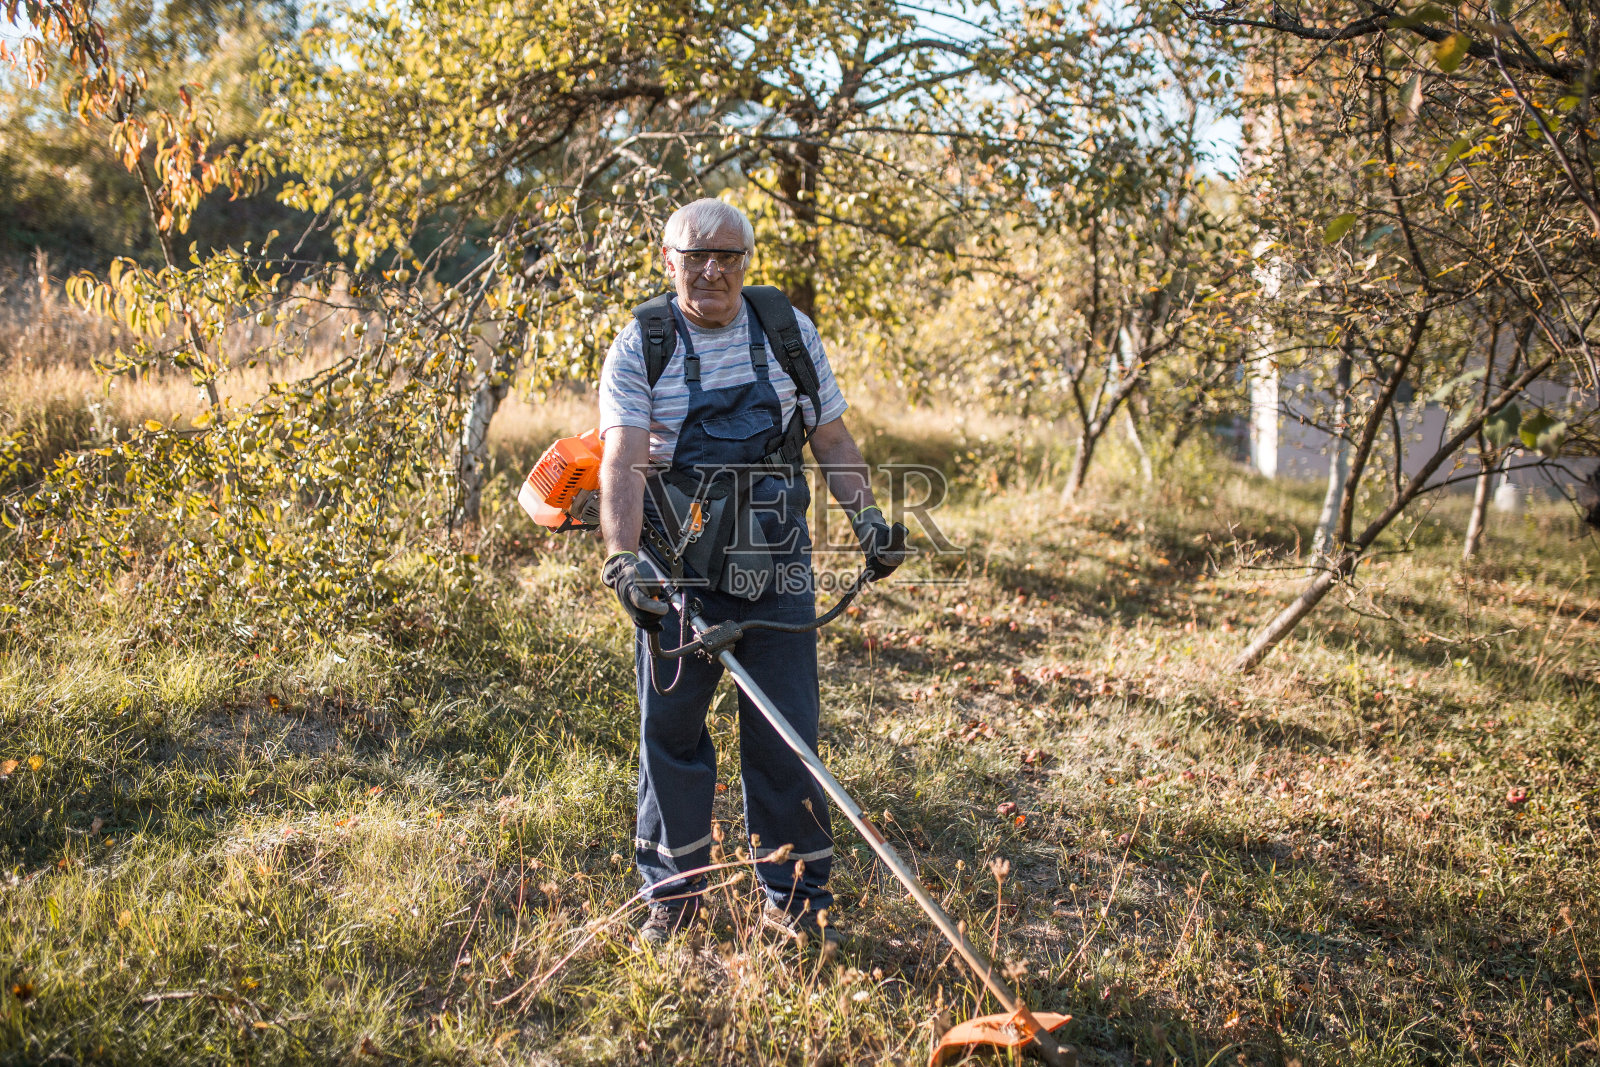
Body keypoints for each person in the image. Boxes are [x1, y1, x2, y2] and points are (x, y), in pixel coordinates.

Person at [596, 198, 905, 947]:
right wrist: (622, 560)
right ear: (666, 261)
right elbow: (621, 460)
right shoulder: (644, 344)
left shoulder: (787, 333)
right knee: (671, 732)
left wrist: (867, 517)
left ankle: (795, 902)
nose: (711, 269)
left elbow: (830, 438)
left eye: (727, 256)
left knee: (787, 731)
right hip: (678, 571)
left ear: (746, 261)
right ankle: (672, 896)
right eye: (694, 255)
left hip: (777, 567)